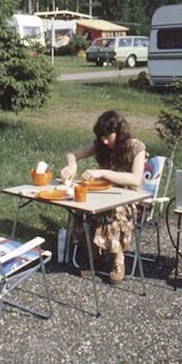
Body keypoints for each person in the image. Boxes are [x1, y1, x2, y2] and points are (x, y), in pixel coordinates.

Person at [60, 110, 147, 284]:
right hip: (106, 193)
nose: (105, 141)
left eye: (108, 137)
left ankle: (118, 259)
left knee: (112, 210)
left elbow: (135, 179)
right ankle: (94, 252)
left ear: (119, 132)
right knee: (84, 203)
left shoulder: (137, 147)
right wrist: (72, 165)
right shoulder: (101, 144)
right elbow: (71, 154)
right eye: (102, 138)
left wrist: (101, 173)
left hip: (130, 198)